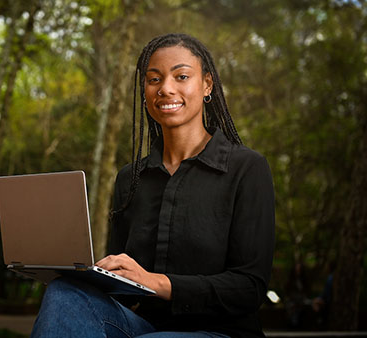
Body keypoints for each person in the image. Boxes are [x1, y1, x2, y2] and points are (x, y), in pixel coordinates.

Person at [31, 33, 275, 337]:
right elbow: (126, 289)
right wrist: (92, 274)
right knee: (64, 292)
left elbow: (249, 287)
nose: (166, 89)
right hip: (143, 328)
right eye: (154, 79)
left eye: (181, 76)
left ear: (207, 85)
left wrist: (156, 282)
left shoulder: (246, 169)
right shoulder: (130, 179)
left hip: (221, 332)